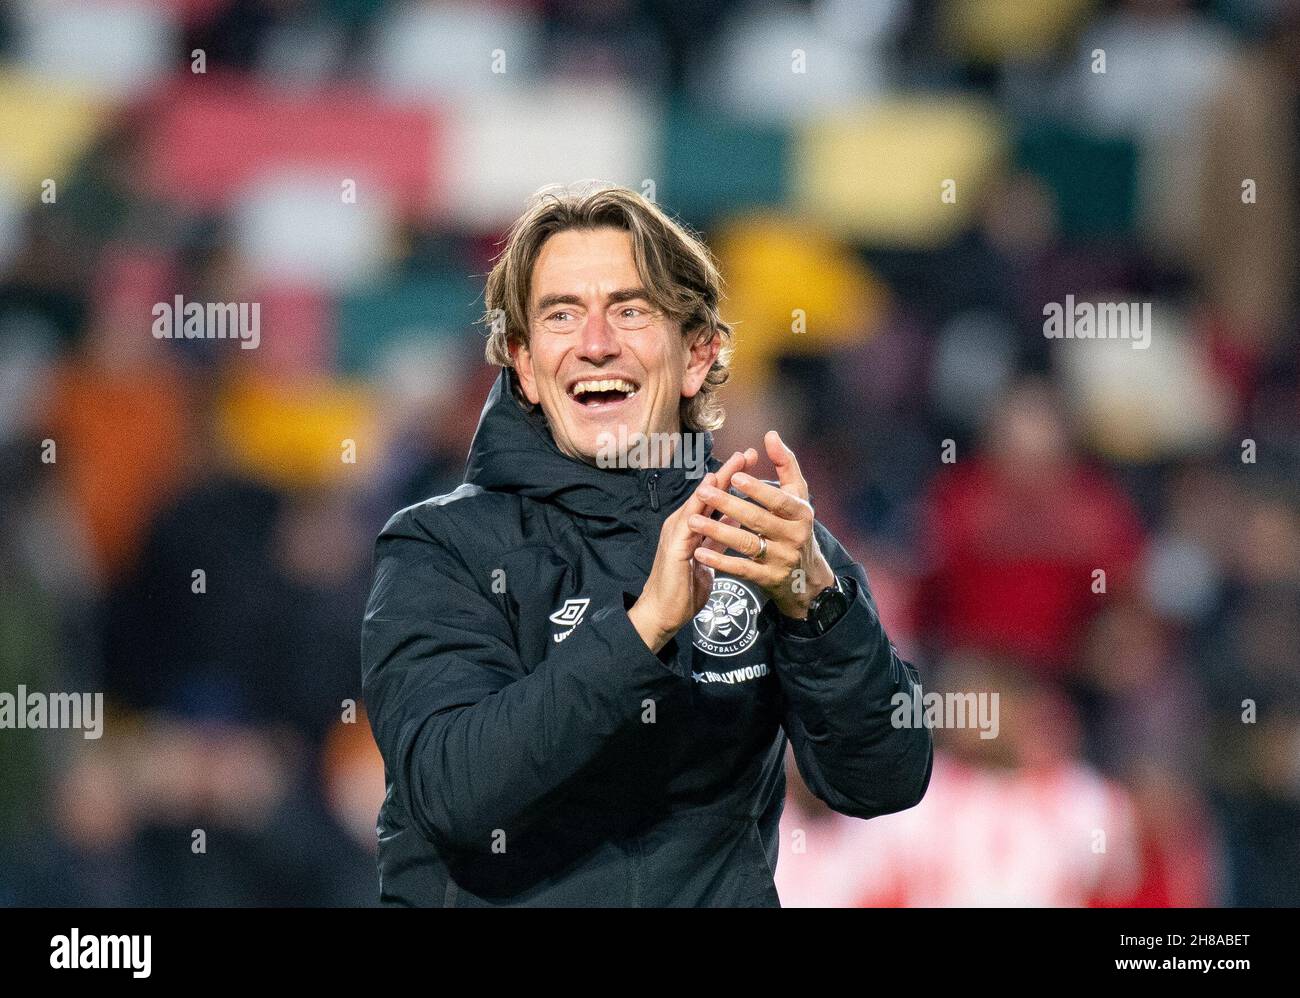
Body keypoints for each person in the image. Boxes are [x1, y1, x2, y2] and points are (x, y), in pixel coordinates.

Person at [360, 183, 932, 906]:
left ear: (698, 354)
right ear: (527, 364)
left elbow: (883, 781)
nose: (596, 343)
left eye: (630, 311)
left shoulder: (764, 542)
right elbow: (456, 793)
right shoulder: (439, 547)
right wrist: (643, 629)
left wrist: (820, 609)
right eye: (562, 315)